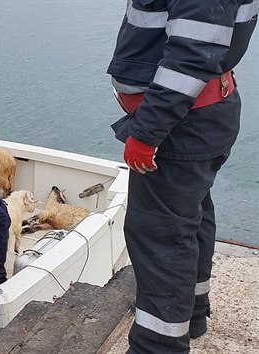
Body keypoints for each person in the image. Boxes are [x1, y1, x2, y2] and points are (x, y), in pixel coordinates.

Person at [107, 1, 256, 353]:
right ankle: (191, 313)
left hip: (180, 125)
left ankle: (157, 345)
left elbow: (190, 56)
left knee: (161, 236)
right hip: (202, 116)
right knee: (189, 217)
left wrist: (146, 133)